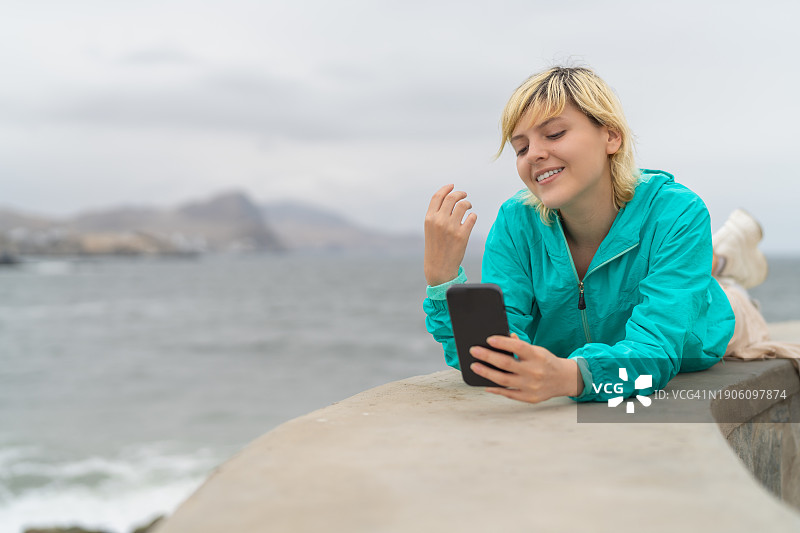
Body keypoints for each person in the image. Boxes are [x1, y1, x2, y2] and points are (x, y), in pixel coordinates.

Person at [422, 66, 788, 405]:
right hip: (643, 303)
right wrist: (442, 279)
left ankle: (721, 263)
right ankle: (715, 258)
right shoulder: (516, 222)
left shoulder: (677, 212)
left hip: (704, 328)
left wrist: (572, 375)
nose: (534, 154)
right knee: (683, 266)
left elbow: (657, 350)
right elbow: (489, 355)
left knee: (723, 296)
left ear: (611, 135)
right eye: (521, 147)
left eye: (554, 134)